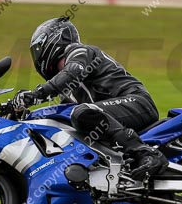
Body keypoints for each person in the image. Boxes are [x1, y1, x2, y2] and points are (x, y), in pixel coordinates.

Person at [12, 17, 168, 180]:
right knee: (71, 123)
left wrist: (36, 95)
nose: (37, 54)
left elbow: (71, 73)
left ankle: (146, 154)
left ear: (56, 38)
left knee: (82, 113)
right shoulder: (68, 92)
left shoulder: (80, 52)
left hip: (137, 102)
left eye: (38, 47)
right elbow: (59, 115)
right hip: (113, 113)